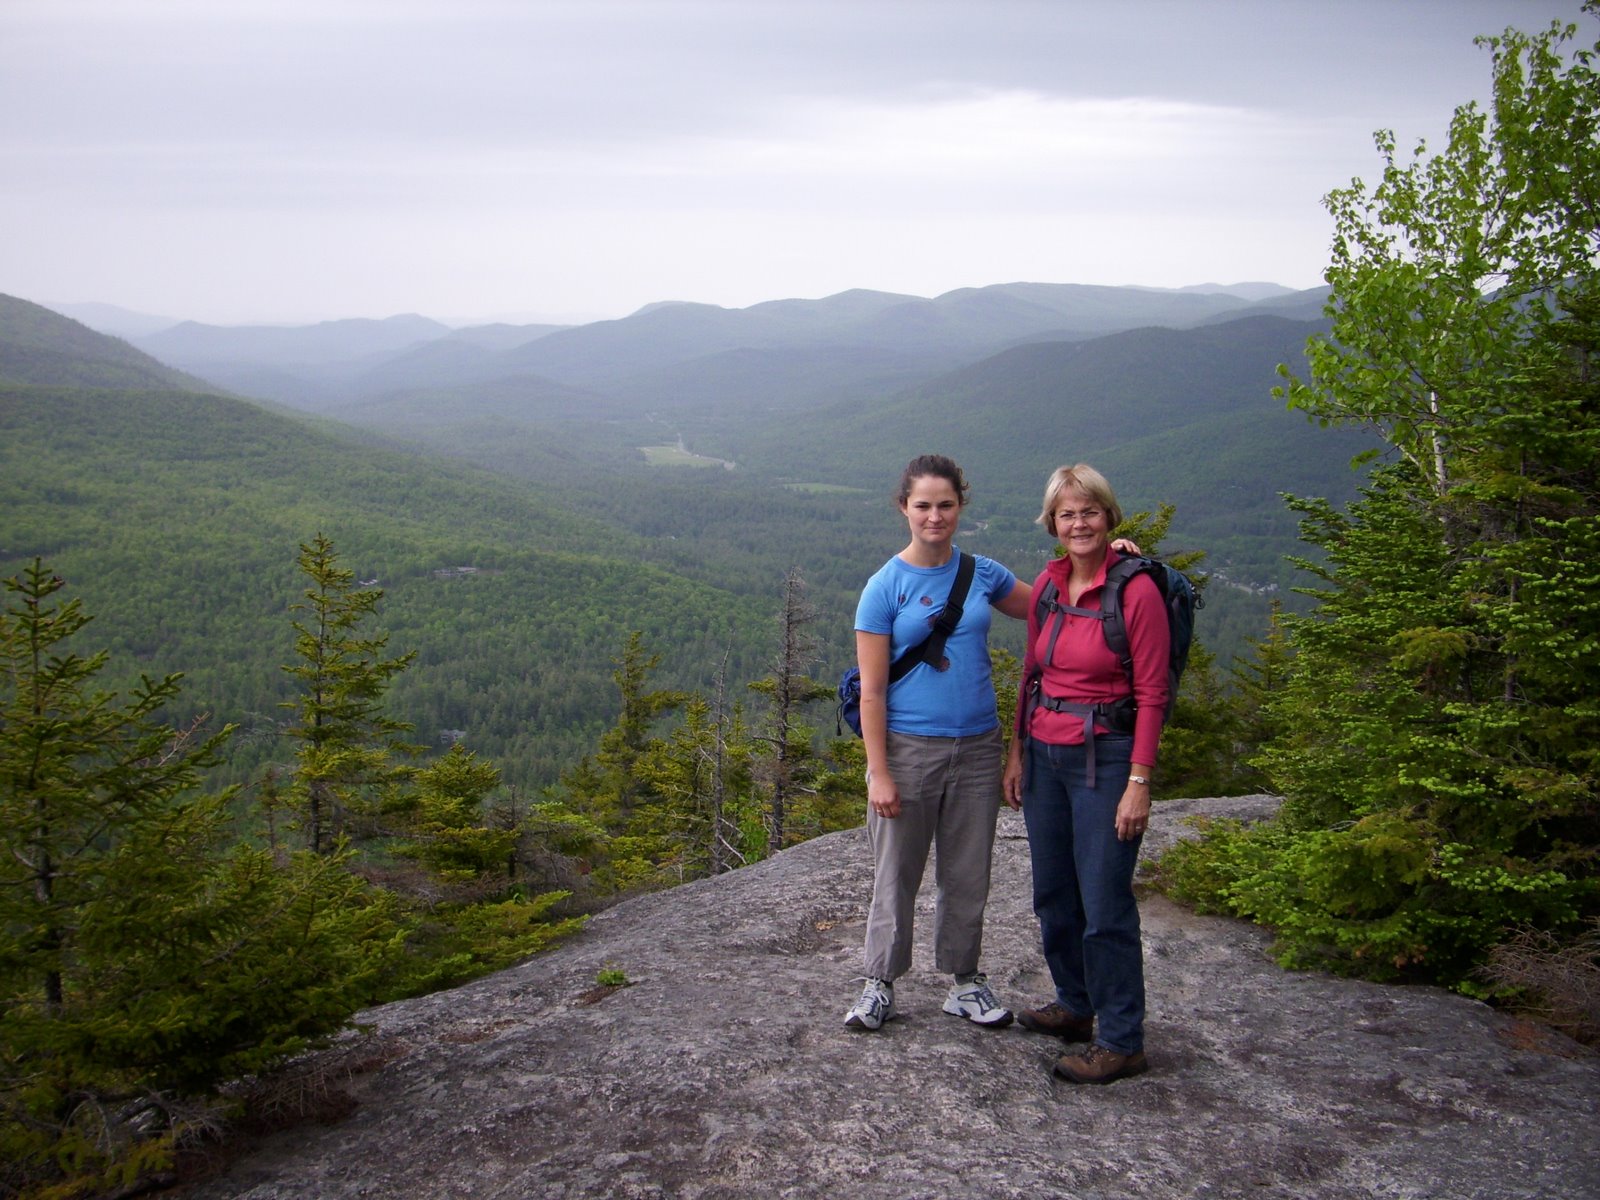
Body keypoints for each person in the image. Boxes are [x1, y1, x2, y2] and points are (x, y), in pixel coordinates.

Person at [843, 454, 1032, 1032]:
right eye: (922, 505)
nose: (934, 516)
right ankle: (880, 982)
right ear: (904, 507)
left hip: (978, 746)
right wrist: (879, 771)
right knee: (895, 873)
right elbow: (872, 692)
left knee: (968, 873)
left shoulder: (982, 573)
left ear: (960, 506)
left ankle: (964, 981)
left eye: (945, 505)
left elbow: (1052, 605)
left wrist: (1107, 561)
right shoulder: (884, 587)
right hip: (907, 748)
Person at [1002, 463, 1170, 1084]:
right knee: (1054, 894)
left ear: (1108, 516)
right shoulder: (1049, 587)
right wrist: (1017, 752)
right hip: (1045, 757)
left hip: (1107, 758)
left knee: (1104, 902)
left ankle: (1122, 1039)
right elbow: (1032, 673)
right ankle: (1076, 1004)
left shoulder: (1135, 591)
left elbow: (1152, 694)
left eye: (1089, 512)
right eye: (1067, 514)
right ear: (1052, 523)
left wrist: (1139, 782)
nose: (1079, 524)